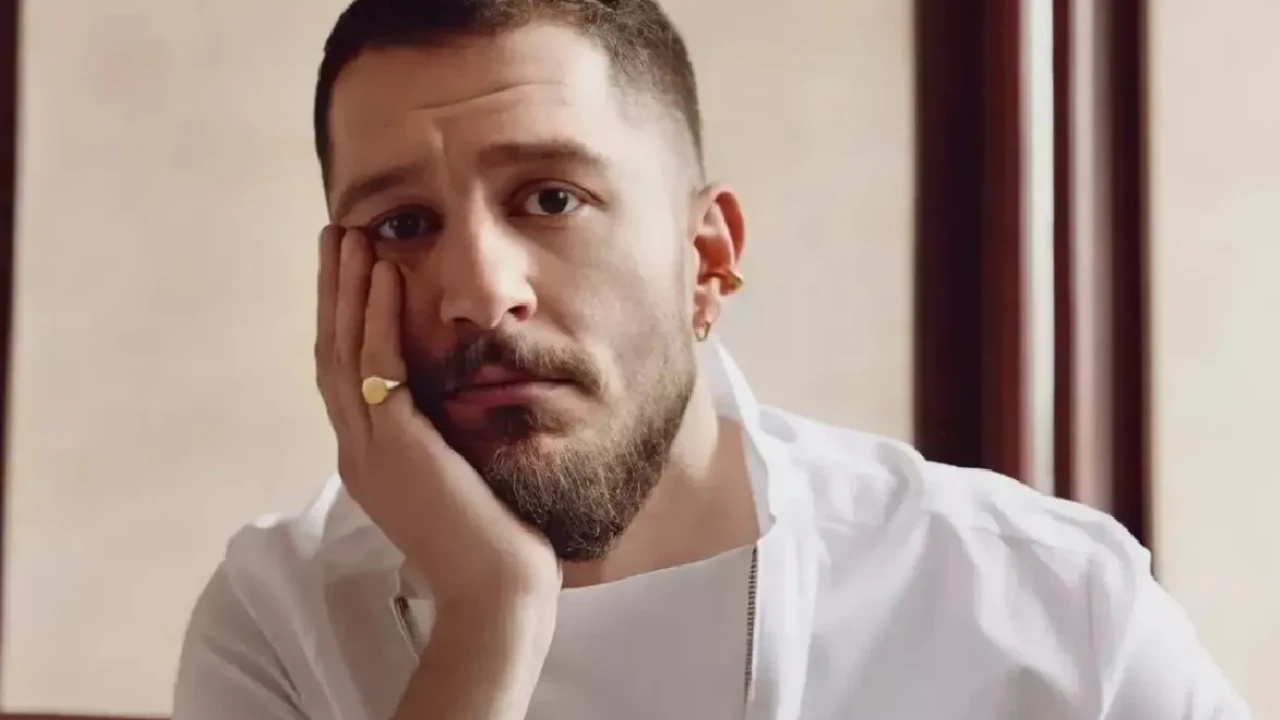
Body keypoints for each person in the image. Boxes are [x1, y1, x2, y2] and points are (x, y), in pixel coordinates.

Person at [172, 0, 1251, 718]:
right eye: (402, 225)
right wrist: (488, 616)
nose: (478, 293)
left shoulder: (1045, 606)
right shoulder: (281, 620)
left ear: (707, 257)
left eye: (551, 198)